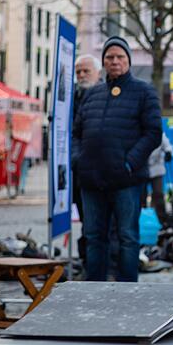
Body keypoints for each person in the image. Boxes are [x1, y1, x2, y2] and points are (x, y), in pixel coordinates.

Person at [72, 36, 162, 282]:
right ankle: (95, 288)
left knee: (128, 237)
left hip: (127, 179)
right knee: (94, 236)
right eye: (109, 57)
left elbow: (153, 133)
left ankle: (128, 292)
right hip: (91, 179)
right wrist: (78, 160)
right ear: (103, 63)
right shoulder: (92, 95)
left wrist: (130, 162)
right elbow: (76, 133)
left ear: (128, 61)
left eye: (120, 57)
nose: (115, 61)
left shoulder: (144, 92)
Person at [72, 54, 102, 264]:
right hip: (79, 171)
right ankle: (88, 263)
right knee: (86, 221)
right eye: (78, 72)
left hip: (103, 172)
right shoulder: (72, 97)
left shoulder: (105, 94)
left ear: (97, 73)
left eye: (86, 71)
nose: (82, 75)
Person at [143, 133, 173, 226]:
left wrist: (169, 153)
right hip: (141, 167)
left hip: (157, 168)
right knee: (141, 196)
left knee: (158, 194)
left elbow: (168, 146)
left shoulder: (159, 133)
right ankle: (142, 218)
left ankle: (161, 219)